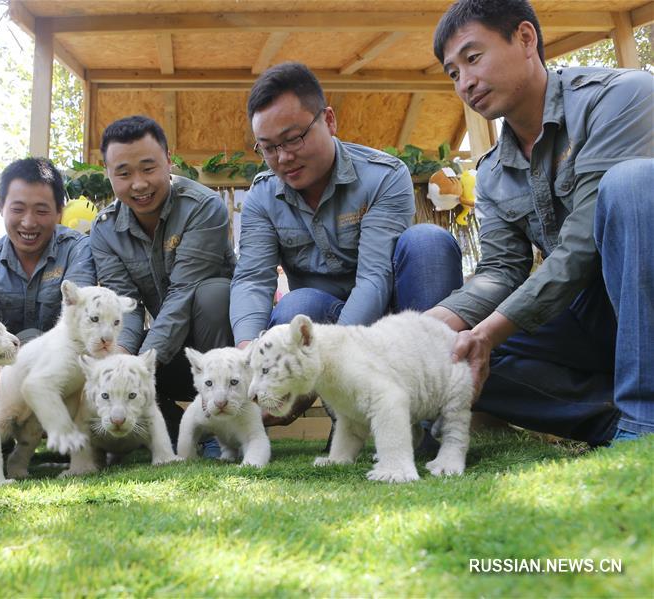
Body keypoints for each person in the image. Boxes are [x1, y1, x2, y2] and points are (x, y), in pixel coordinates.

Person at [428, 0, 653, 445]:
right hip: (585, 315)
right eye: (453, 73)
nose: (466, 83)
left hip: (643, 296)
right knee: (451, 357)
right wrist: (433, 324)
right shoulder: (491, 171)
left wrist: (490, 332)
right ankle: (610, 418)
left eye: (473, 58)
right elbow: (499, 271)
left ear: (526, 39)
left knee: (631, 183)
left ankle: (644, 422)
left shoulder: (624, 95)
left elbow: (581, 243)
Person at [230, 62, 464, 424]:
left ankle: (431, 416)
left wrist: (333, 358)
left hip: (389, 322)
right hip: (321, 325)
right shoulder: (262, 197)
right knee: (297, 305)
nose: (283, 157)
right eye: (269, 147)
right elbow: (251, 279)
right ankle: (347, 414)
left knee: (428, 243)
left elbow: (374, 279)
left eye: (293, 139)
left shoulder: (383, 176)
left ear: (329, 120)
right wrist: (247, 354)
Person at [90, 115, 235, 442]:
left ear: (169, 161)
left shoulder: (204, 208)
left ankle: (223, 428)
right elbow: (123, 306)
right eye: (124, 173)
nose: (138, 184)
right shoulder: (104, 229)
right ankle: (179, 429)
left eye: (148, 168)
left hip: (216, 349)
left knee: (213, 294)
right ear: (108, 173)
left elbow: (184, 292)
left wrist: (139, 368)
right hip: (169, 354)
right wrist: (122, 358)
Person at [0, 157, 95, 344]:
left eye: (41, 211)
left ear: (59, 212)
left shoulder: (77, 250)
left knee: (31, 336)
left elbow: (78, 321)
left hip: (60, 362)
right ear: (1, 207)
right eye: (18, 209)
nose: (29, 223)